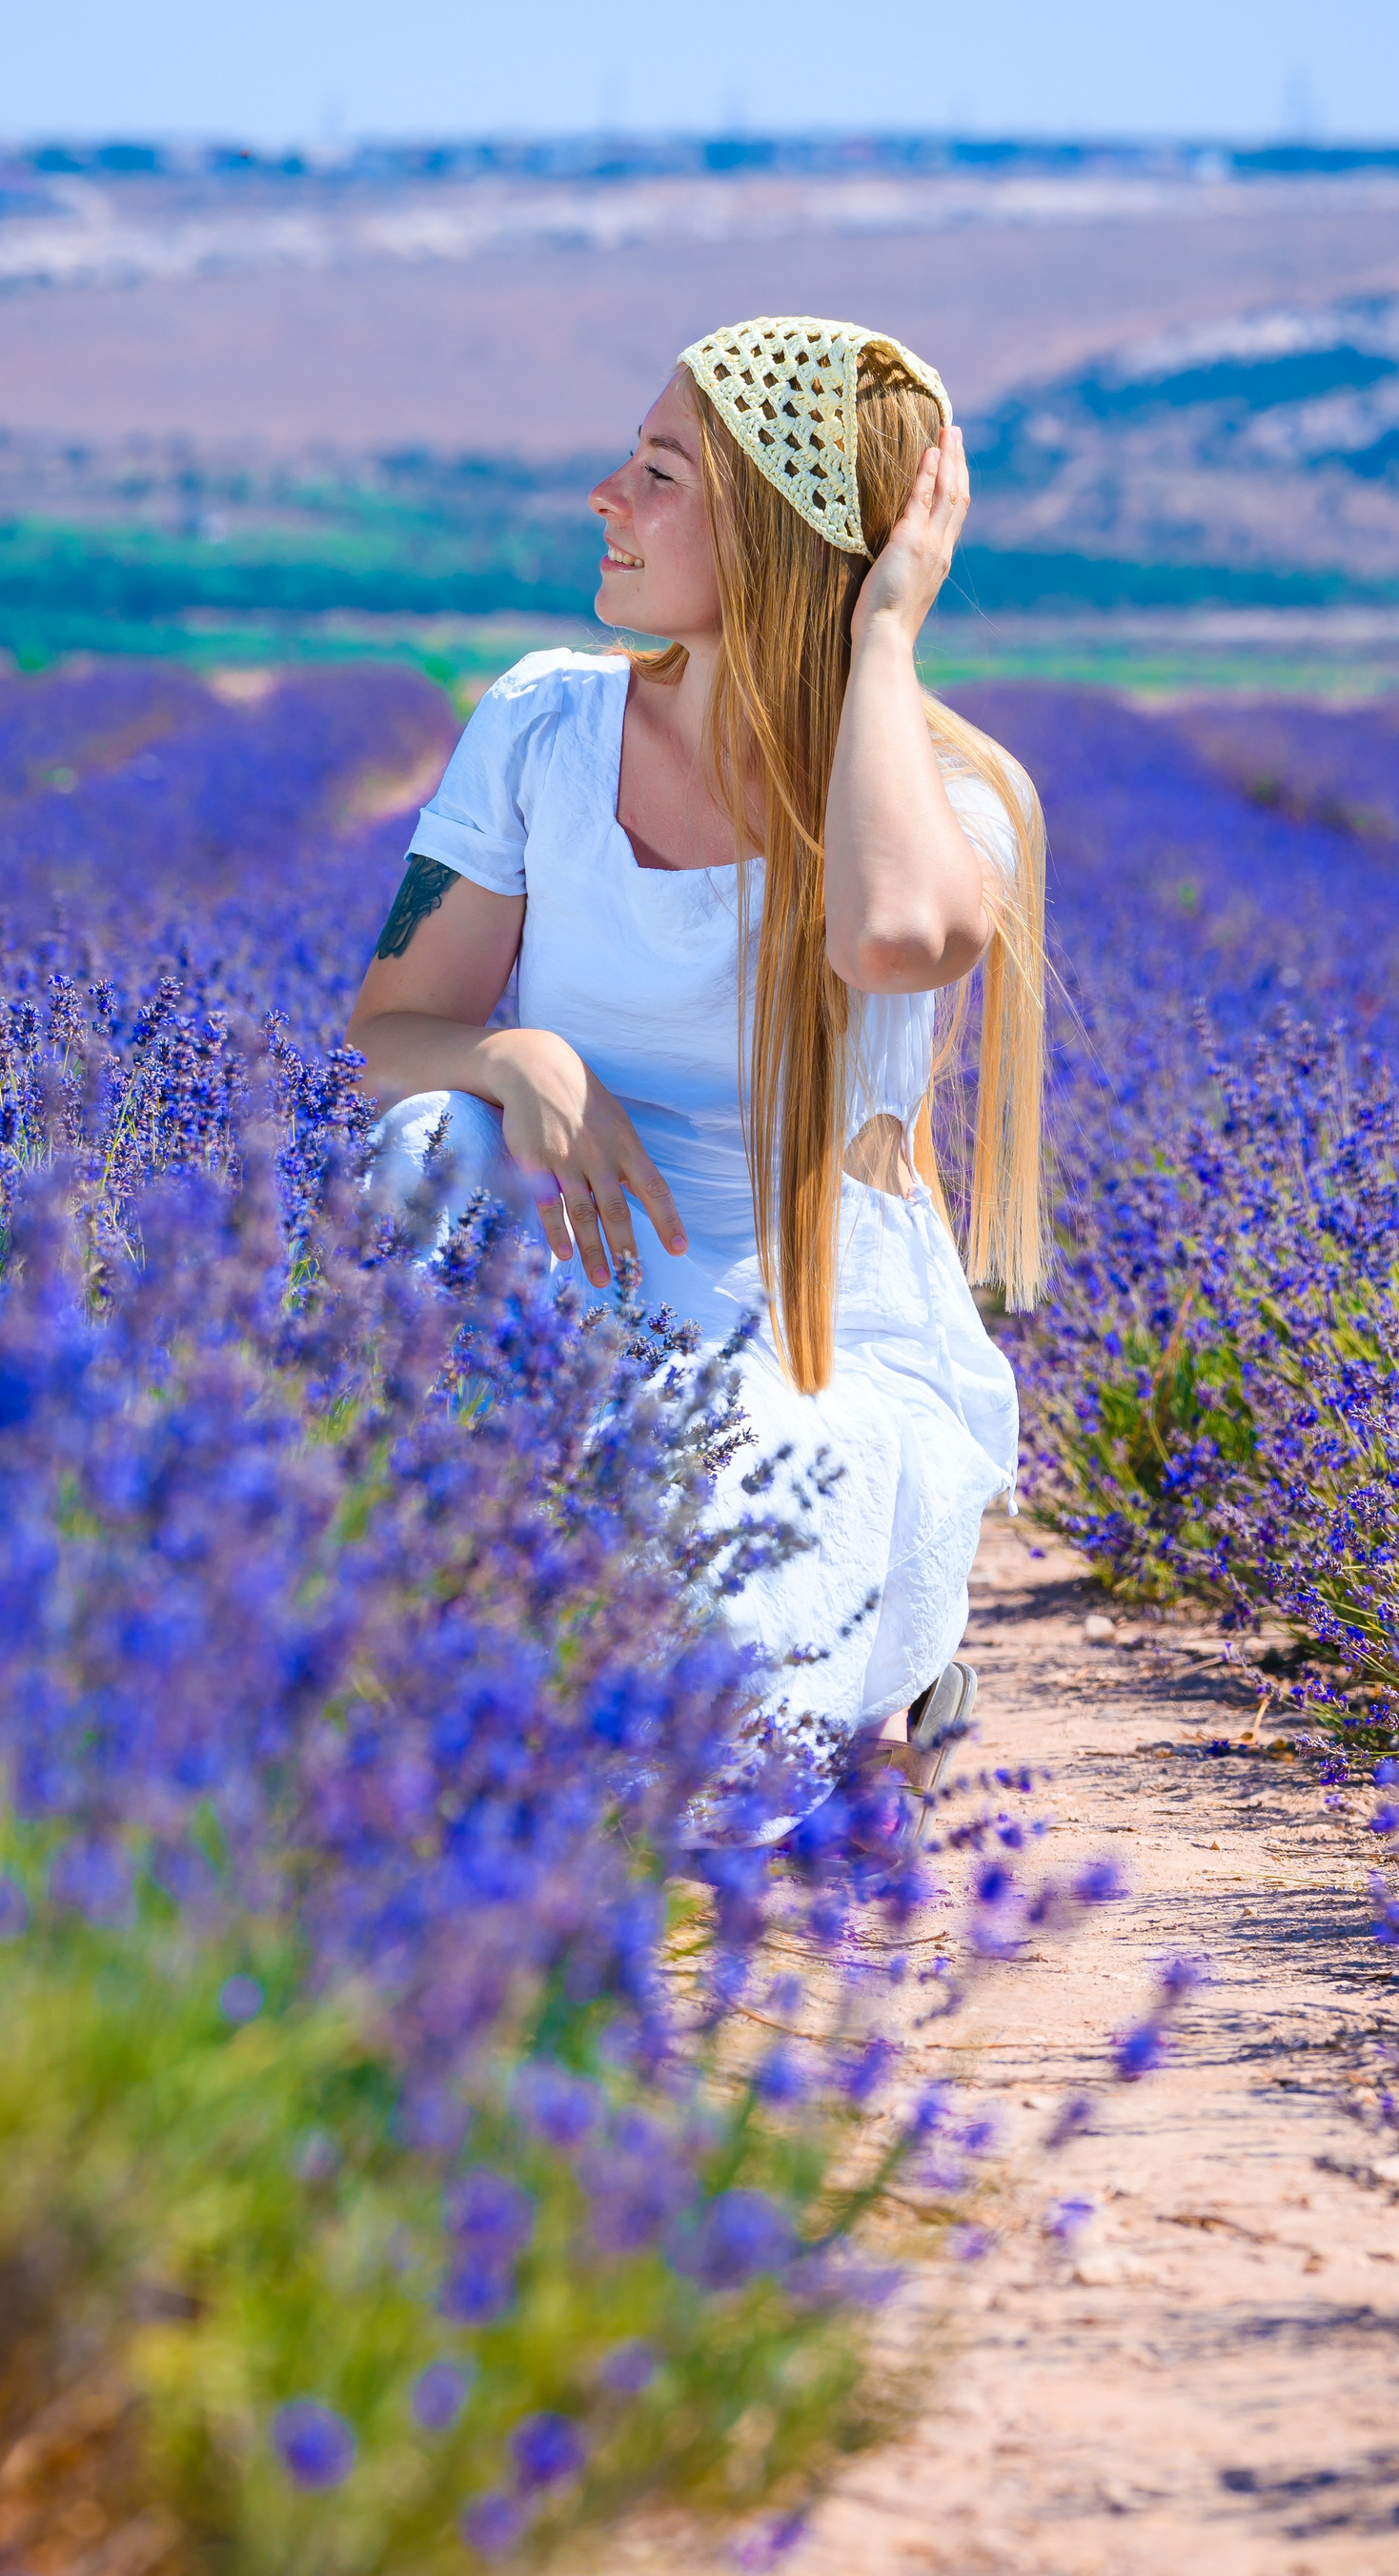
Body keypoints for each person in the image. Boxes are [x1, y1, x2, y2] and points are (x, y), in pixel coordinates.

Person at [348, 317, 1045, 1841]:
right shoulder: (544, 723)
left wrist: (875, 640)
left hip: (802, 1331)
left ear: (782, 535)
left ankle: (873, 1671)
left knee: (707, 1731)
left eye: (659, 474)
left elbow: (896, 935)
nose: (605, 495)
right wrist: (512, 1054)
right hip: (579, 1269)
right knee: (418, 1142)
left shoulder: (955, 804)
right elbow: (394, 1022)